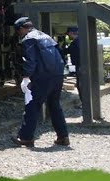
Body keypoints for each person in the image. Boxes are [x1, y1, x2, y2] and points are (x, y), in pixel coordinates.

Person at [14, 17, 70, 147]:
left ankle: (26, 138)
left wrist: (26, 77)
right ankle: (63, 136)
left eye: (18, 31)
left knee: (32, 106)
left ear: (22, 28)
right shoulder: (46, 36)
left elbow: (30, 60)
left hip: (43, 76)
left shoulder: (29, 39)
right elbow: (61, 55)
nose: (19, 35)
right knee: (55, 105)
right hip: (58, 75)